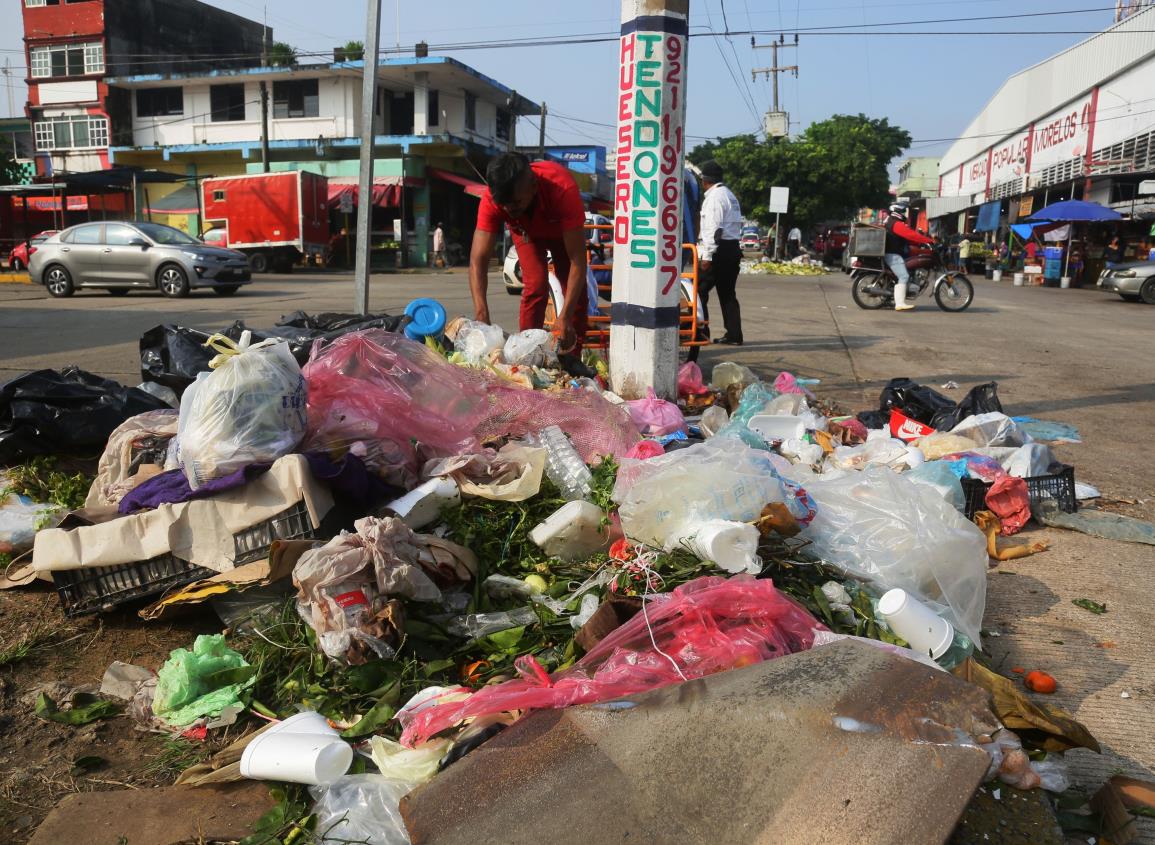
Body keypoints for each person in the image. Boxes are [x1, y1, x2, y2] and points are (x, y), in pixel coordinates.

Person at [469, 152, 589, 357]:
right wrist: (481, 313)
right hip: (527, 233)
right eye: (503, 204)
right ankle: (526, 355)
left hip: (562, 235)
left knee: (575, 294)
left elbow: (577, 261)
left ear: (533, 187)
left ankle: (572, 356)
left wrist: (565, 316)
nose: (508, 208)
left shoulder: (562, 188)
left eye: (515, 202)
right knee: (536, 285)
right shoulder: (492, 198)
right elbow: (478, 260)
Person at [696, 160, 744, 345]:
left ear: (705, 180)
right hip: (732, 249)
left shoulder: (714, 198)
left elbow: (714, 229)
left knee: (699, 290)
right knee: (727, 294)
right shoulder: (729, 195)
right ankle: (734, 335)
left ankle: (702, 332)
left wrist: (707, 256)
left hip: (719, 250)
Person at [883, 203, 935, 312]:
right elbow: (911, 234)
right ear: (897, 212)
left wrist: (921, 242)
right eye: (902, 212)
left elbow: (906, 238)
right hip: (893, 254)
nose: (903, 214)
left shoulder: (891, 221)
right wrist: (928, 240)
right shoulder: (896, 224)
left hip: (893, 253)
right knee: (903, 276)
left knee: (907, 270)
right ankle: (900, 304)